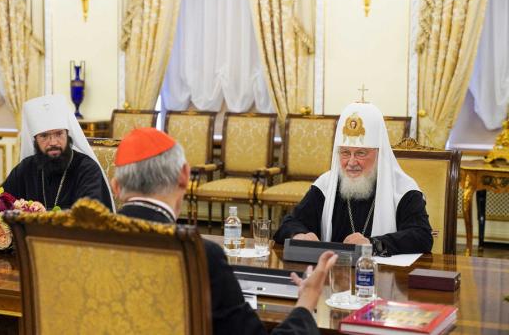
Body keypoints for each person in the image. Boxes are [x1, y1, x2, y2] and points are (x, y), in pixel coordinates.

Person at [110, 127, 338, 335]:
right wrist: (306, 303)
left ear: (116, 187)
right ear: (184, 177)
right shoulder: (198, 254)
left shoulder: (82, 246)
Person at [273, 102, 433, 256]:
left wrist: (373, 244)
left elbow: (422, 237)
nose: (351, 162)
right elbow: (288, 224)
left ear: (379, 153)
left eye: (360, 153)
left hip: (380, 278)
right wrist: (299, 235)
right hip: (331, 276)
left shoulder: (403, 189)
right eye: (345, 153)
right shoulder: (326, 185)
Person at [2, 95, 114, 211]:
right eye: (44, 136)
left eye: (59, 134)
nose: (53, 142)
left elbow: (89, 215)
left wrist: (43, 215)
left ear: (67, 134)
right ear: (35, 139)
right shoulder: (26, 168)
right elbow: (0, 202)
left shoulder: (87, 168)